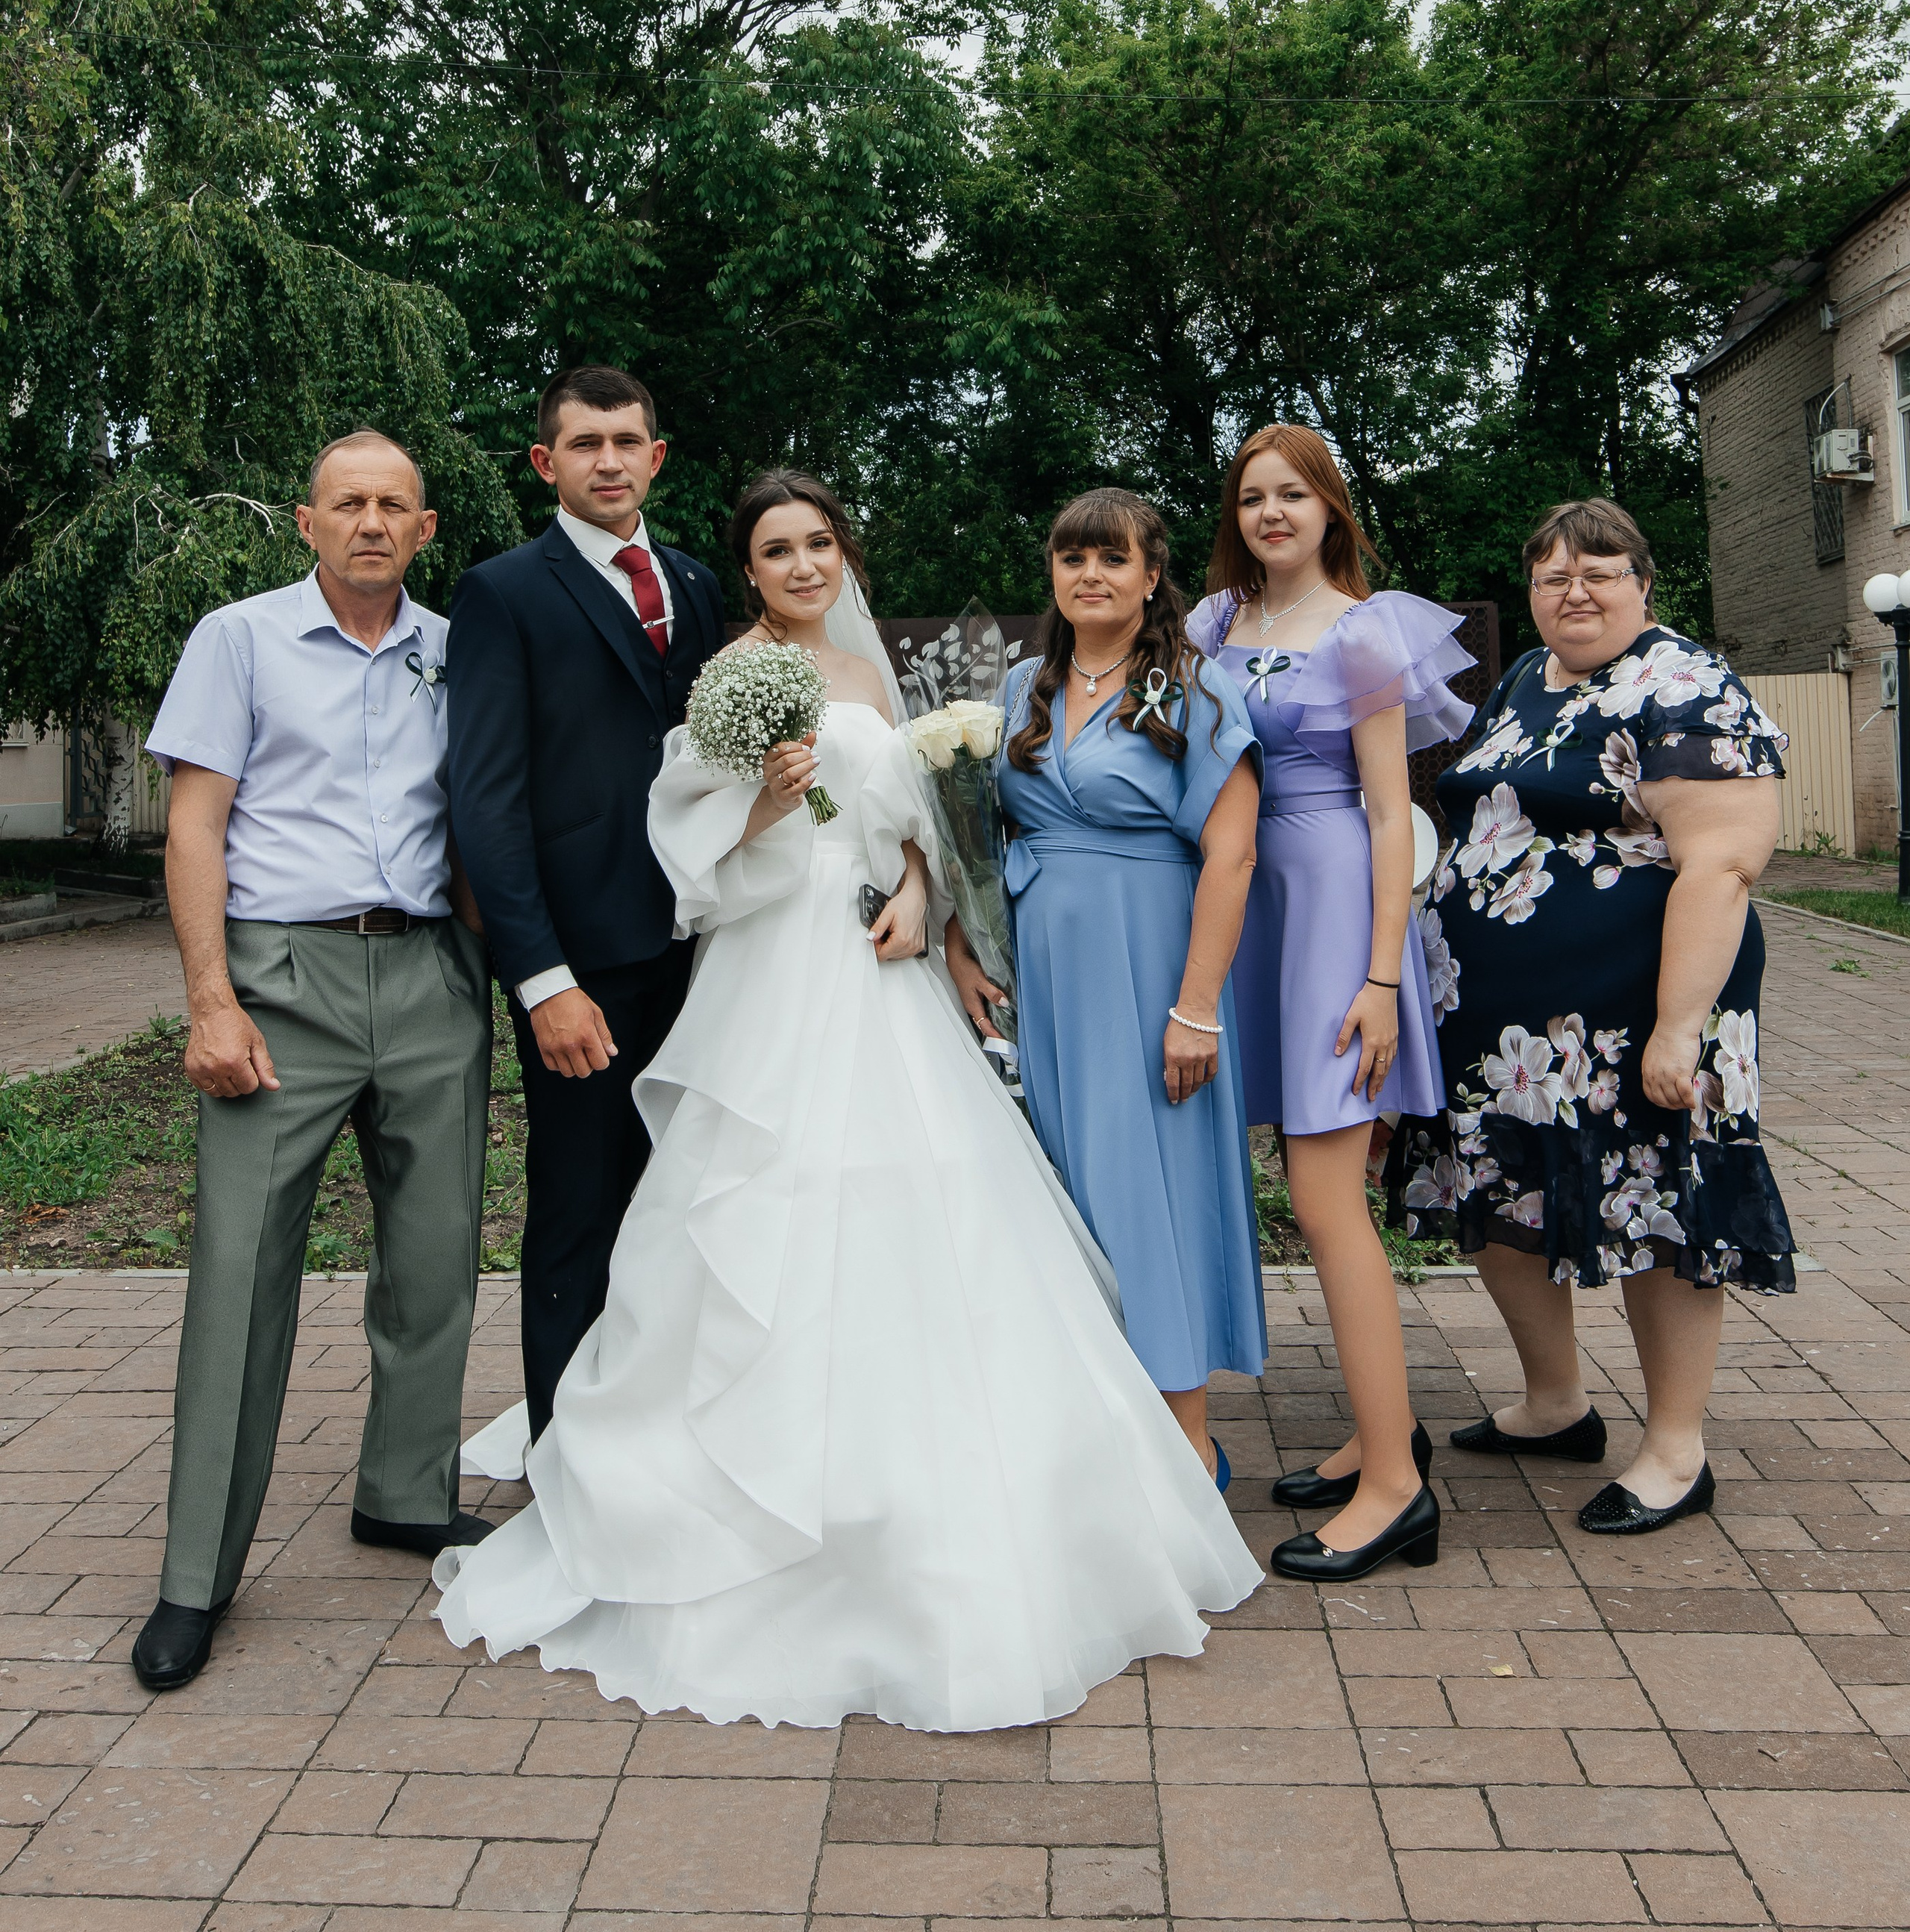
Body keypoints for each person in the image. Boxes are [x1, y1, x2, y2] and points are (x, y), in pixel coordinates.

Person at [433, 473, 1259, 1729]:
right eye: (778, 548)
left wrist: (924, 891)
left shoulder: (877, 679)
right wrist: (767, 796)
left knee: (929, 1203)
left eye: (820, 542)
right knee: (768, 1204)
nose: (804, 563)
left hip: (883, 972)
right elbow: (683, 856)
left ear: (844, 554)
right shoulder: (731, 677)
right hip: (772, 970)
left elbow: (913, 819)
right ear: (748, 570)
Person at [133, 432, 495, 1693]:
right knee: (239, 1269)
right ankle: (195, 1576)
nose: (371, 522)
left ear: (427, 527)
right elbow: (196, 822)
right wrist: (208, 1000)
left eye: (395, 504)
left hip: (434, 977)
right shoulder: (237, 640)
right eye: (349, 502)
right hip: (282, 980)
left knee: (439, 1252)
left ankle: (404, 1493)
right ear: (306, 520)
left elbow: (489, 810)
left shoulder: (460, 650)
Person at [1386, 496, 1794, 1536]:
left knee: (1657, 1206)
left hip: (1632, 1016)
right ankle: (1557, 1401)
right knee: (1499, 1190)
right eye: (1552, 574)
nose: (1574, 590)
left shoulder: (1687, 683)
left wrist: (1676, 1026)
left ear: (1643, 581)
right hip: (1509, 1033)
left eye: (1599, 571)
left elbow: (1723, 862)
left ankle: (1674, 1448)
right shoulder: (1529, 677)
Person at [1187, 425, 1475, 1581]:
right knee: (1317, 1187)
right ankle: (1379, 1433)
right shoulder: (1211, 623)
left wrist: (1378, 977)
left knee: (1324, 1195)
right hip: (1247, 901)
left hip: (1336, 912)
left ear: (1329, 509)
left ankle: (1401, 1492)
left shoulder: (1365, 629)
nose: (1270, 512)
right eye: (1252, 496)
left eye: (1292, 494)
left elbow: (1394, 812)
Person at [947, 489, 1265, 1487]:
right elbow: (976, 832)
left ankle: (1184, 1445)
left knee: (1150, 1194)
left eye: (1111, 559)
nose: (1089, 574)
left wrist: (1196, 1007)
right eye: (1071, 556)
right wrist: (963, 944)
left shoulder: (1184, 689)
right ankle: (1085, 1435)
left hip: (1151, 970)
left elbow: (1232, 852)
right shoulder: (1019, 691)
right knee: (1064, 1198)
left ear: (1150, 575)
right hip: (1045, 974)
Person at [447, 367, 726, 1446]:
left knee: (677, 1204)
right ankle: (568, 1452)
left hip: (701, 951)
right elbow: (486, 801)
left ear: (656, 456)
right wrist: (542, 978)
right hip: (582, 969)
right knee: (578, 1210)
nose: (607, 459)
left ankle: (660, 1426)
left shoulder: (698, 586)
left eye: (626, 440)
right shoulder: (504, 592)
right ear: (545, 463)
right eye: (584, 443)